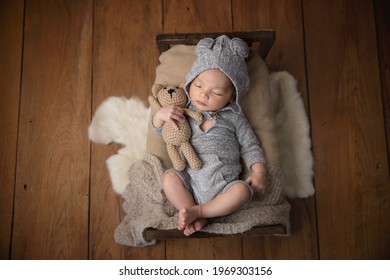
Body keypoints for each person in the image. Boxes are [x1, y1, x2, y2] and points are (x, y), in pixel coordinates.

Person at [151, 35, 267, 236]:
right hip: (189, 179)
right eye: (198, 86)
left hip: (224, 185)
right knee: (169, 178)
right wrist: (160, 116)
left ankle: (199, 212)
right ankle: (191, 210)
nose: (204, 95)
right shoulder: (182, 107)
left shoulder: (235, 118)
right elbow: (161, 130)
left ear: (232, 96)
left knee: (243, 192)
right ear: (190, 82)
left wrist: (259, 172)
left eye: (218, 93)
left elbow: (250, 146)